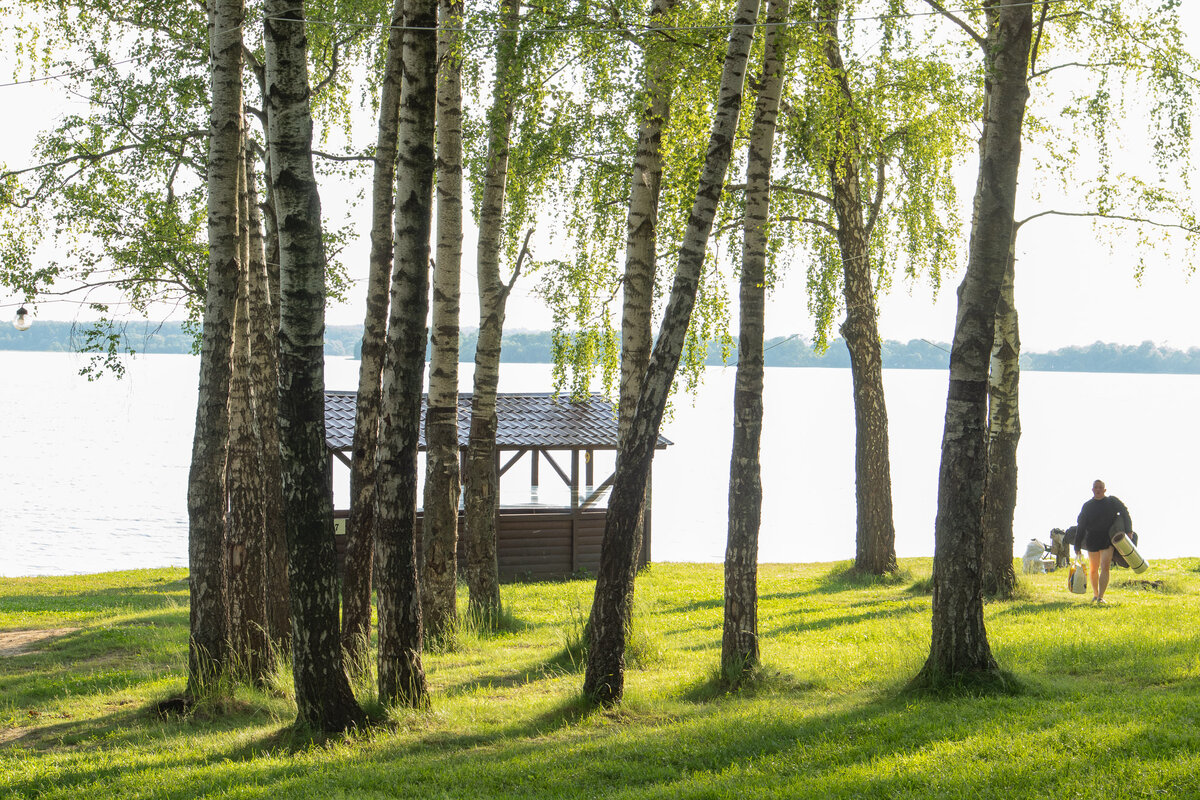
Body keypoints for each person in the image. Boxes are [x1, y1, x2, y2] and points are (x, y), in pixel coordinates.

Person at [1074, 479, 1133, 604]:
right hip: (1092, 539)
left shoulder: (1112, 502)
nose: (1098, 489)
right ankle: (1095, 594)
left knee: (1105, 566)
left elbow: (1125, 512)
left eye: (1100, 487)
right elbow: (1081, 525)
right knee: (1094, 569)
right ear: (1092, 490)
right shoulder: (1087, 506)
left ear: (1104, 490)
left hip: (1107, 539)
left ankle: (1101, 597)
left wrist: (1129, 530)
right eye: (1096, 487)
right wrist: (1077, 545)